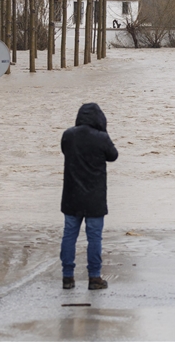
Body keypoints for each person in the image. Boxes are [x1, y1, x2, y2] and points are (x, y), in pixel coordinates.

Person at [60, 103, 119, 290]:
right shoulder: (102, 138)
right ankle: (94, 277)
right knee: (94, 237)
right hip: (94, 196)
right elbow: (113, 155)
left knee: (69, 235)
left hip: (71, 195)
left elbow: (64, 150)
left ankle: (67, 277)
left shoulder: (68, 135)